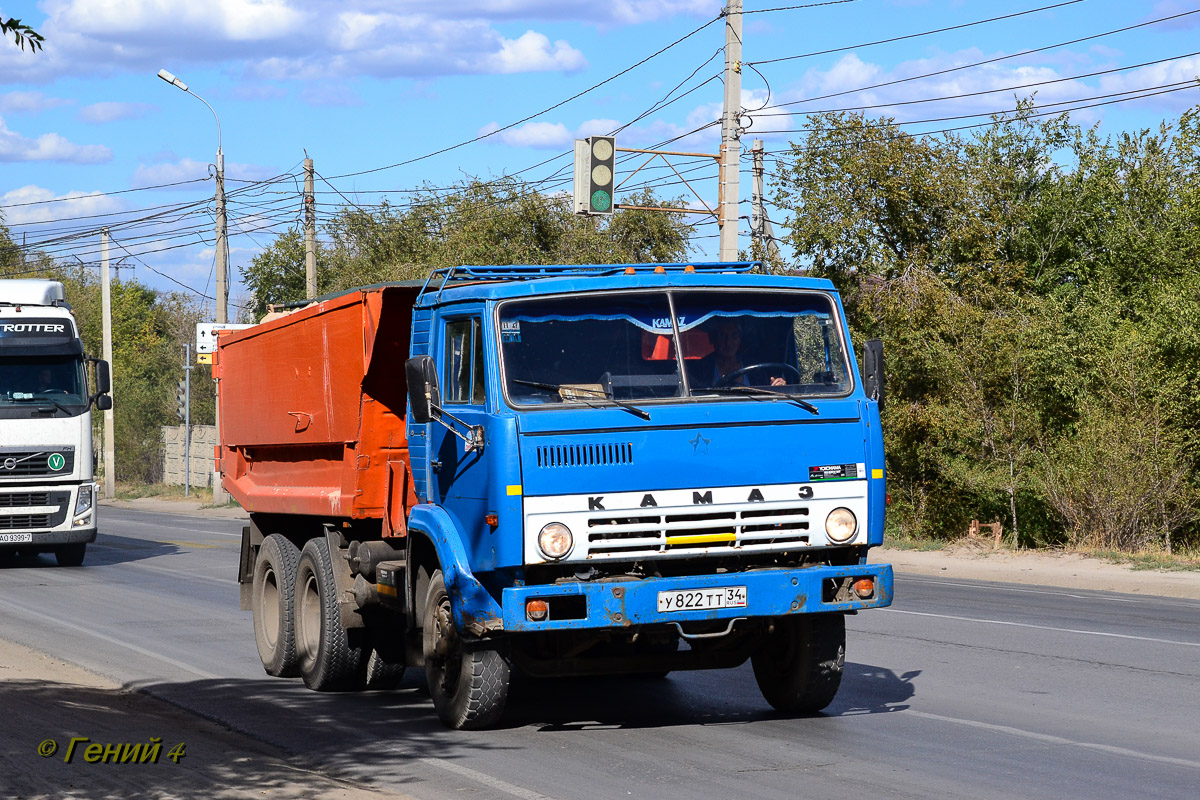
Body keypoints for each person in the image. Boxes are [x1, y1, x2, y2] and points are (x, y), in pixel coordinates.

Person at [689, 318, 785, 388]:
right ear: (713, 338)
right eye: (723, 336)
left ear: (740, 339)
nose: (728, 342)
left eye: (734, 336)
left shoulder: (756, 370)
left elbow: (768, 394)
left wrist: (778, 386)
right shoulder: (700, 370)